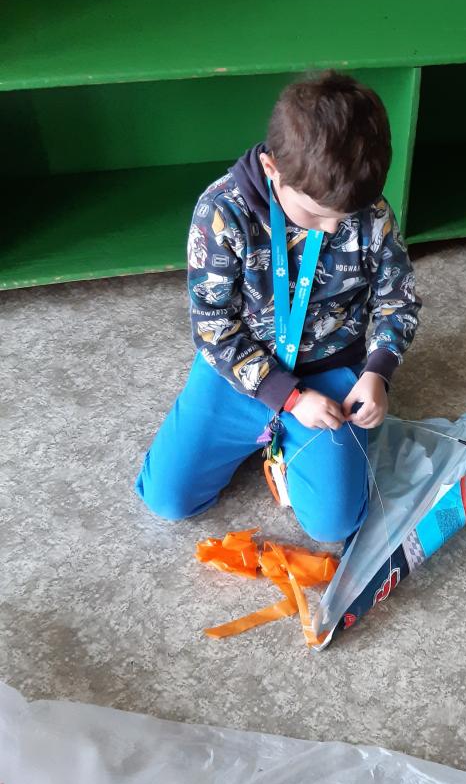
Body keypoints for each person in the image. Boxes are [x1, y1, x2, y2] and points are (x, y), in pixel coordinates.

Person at [136, 70, 421, 542]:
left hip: (331, 371)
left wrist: (378, 372)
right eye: (316, 214)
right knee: (167, 499)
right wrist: (287, 398)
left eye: (345, 217)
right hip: (241, 372)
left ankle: (287, 441)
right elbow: (212, 325)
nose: (331, 229)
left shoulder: (369, 210)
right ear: (272, 169)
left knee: (334, 526)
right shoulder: (221, 211)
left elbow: (398, 298)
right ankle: (272, 430)